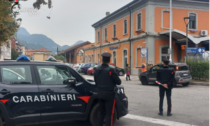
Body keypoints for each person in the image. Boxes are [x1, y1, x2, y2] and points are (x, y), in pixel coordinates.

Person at [94, 52, 121, 126]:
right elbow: (118, 82)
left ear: (102, 60)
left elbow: (96, 81)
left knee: (101, 113)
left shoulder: (96, 70)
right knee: (109, 114)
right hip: (109, 95)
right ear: (109, 61)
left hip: (100, 94)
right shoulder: (111, 70)